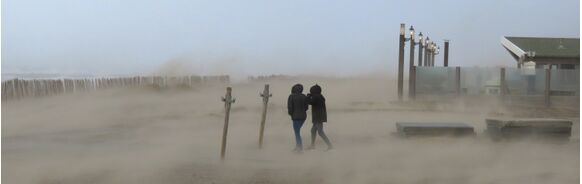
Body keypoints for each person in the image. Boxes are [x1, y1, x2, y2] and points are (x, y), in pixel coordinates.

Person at [306, 84, 333, 150]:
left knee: (320, 132)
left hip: (318, 117)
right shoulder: (320, 96)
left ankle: (330, 146)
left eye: (311, 91)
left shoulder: (316, 96)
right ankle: (312, 145)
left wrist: (308, 97)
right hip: (319, 116)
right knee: (313, 131)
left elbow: (310, 102)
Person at [287, 84, 309, 153]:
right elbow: (306, 107)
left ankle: (299, 147)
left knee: (297, 132)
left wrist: (291, 114)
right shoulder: (304, 96)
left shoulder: (291, 96)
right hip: (303, 117)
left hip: (295, 117)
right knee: (297, 132)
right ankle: (298, 146)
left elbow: (290, 108)